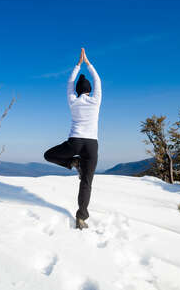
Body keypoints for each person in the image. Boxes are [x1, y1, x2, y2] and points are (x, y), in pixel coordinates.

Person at [44, 48, 102, 230]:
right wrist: (88, 63)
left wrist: (78, 65)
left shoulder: (73, 100)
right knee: (86, 183)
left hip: (75, 142)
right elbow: (98, 80)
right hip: (92, 145)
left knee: (49, 155)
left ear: (77, 91)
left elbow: (70, 82)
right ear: (90, 90)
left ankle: (72, 163)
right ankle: (81, 217)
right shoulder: (96, 100)